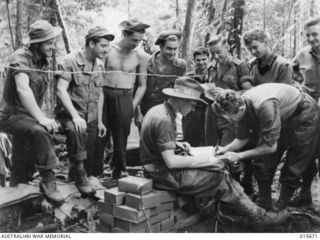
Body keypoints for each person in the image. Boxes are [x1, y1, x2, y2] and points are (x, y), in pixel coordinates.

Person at [140, 77, 289, 226]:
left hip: (156, 168)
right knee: (219, 176)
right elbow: (172, 162)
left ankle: (228, 208)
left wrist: (177, 145)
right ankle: (259, 218)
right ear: (181, 99)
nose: (193, 108)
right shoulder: (165, 120)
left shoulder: (159, 110)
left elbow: (156, 142)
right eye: (193, 103)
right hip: (163, 175)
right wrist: (207, 161)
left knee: (213, 169)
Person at [212, 83, 320, 210]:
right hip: (282, 114)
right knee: (263, 162)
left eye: (230, 118)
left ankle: (281, 206)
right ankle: (265, 202)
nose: (229, 121)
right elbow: (242, 138)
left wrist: (239, 155)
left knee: (297, 159)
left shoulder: (265, 106)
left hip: (304, 113)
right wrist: (226, 149)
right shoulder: (240, 105)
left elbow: (270, 147)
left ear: (240, 110)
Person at [0, 20, 64, 204]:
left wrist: (40, 116)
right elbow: (23, 89)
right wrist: (42, 118)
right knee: (40, 131)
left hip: (26, 117)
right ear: (36, 43)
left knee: (23, 157)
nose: (52, 46)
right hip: (9, 116)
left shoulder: (44, 60)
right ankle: (48, 180)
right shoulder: (19, 58)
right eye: (49, 42)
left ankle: (18, 191)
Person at [56, 26, 114, 194]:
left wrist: (100, 120)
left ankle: (76, 177)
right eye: (103, 45)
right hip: (69, 114)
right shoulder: (70, 61)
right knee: (76, 132)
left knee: (91, 152)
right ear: (91, 44)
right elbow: (61, 89)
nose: (106, 49)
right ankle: (80, 176)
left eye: (107, 45)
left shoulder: (100, 65)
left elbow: (100, 94)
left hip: (91, 115)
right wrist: (74, 116)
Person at [203, 35, 254, 193]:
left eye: (219, 52)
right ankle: (216, 185)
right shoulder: (212, 67)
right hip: (212, 113)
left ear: (228, 48)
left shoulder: (239, 66)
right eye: (213, 54)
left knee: (229, 150)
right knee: (211, 148)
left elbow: (250, 91)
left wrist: (228, 92)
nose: (216, 57)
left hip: (231, 116)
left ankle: (235, 188)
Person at [100, 19, 150, 179]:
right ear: (124, 34)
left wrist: (132, 105)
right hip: (105, 94)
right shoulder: (108, 51)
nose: (137, 43)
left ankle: (118, 169)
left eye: (140, 40)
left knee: (122, 135)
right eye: (134, 39)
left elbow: (142, 85)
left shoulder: (141, 56)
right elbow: (98, 76)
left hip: (125, 96)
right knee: (100, 133)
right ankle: (94, 170)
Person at [291, 16, 320, 206]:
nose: (311, 39)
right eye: (308, 35)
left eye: (315, 34)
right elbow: (291, 69)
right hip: (309, 111)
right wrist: (297, 85)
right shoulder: (302, 54)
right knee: (305, 152)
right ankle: (305, 193)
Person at [182, 47, 211, 147]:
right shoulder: (188, 77)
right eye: (198, 60)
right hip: (192, 115)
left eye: (204, 59)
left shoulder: (213, 75)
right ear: (194, 61)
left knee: (208, 144)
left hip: (209, 113)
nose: (201, 62)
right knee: (190, 144)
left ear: (209, 59)